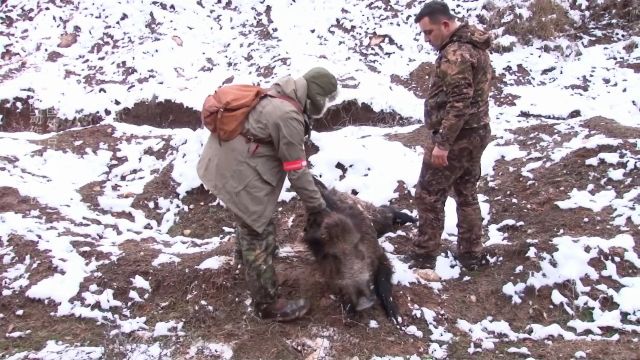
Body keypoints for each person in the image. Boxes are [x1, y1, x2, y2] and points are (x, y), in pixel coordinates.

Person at [197, 67, 338, 321]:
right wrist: (318, 207)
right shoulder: (288, 116)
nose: (325, 106)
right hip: (236, 171)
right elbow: (296, 170)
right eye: (326, 100)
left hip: (227, 163)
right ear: (316, 97)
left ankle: (245, 263)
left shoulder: (280, 94)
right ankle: (268, 305)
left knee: (250, 221)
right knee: (258, 230)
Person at [410, 1, 493, 270]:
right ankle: (471, 254)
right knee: (466, 192)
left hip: (457, 137)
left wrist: (443, 143)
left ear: (445, 25)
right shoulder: (474, 45)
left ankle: (424, 257)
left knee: (428, 194)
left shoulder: (456, 54)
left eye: (429, 32)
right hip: (477, 131)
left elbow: (460, 101)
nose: (427, 39)